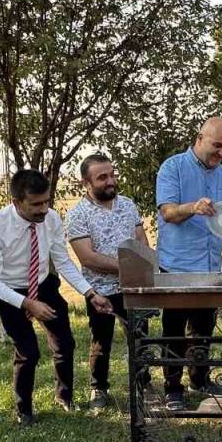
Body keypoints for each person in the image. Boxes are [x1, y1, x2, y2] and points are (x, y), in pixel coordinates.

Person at [0, 169, 114, 426]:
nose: (44, 209)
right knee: (28, 352)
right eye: (36, 204)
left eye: (47, 202)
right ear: (17, 202)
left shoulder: (51, 219)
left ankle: (64, 397)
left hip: (44, 285)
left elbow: (62, 261)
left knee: (64, 343)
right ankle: (24, 410)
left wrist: (90, 292)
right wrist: (28, 303)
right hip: (10, 292)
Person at [156, 117, 222, 411]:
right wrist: (193, 207)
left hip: (210, 268)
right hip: (177, 267)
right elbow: (168, 213)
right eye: (217, 146)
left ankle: (199, 379)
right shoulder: (172, 168)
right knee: (174, 331)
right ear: (199, 138)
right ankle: (172, 388)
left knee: (204, 329)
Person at [64, 153, 151, 412]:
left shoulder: (127, 204)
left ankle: (144, 385)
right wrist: (127, 265)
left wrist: (142, 267)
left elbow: (141, 241)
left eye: (112, 174)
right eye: (102, 177)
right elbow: (87, 257)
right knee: (101, 341)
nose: (110, 181)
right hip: (100, 291)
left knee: (141, 338)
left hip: (134, 286)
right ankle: (98, 388)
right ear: (85, 183)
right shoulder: (77, 214)